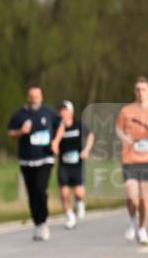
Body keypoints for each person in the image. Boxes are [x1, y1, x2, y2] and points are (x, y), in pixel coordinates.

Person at [7, 85, 59, 241]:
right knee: (32, 193)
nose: (34, 99)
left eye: (37, 96)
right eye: (32, 96)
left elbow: (62, 126)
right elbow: (10, 132)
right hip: (27, 160)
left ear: (41, 97)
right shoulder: (20, 115)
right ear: (28, 97)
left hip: (45, 158)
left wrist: (56, 142)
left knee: (40, 190)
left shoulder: (49, 112)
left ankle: (43, 222)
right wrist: (20, 132)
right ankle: (37, 223)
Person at [116, 77, 148, 245]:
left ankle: (142, 229)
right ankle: (132, 220)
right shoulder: (126, 110)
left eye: (143, 89)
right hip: (130, 159)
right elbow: (118, 129)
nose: (140, 92)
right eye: (138, 89)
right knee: (132, 197)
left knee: (144, 199)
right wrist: (124, 137)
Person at [51, 101, 93, 230]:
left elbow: (90, 136)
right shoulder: (57, 127)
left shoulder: (78, 125)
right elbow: (54, 143)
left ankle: (80, 202)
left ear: (71, 112)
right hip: (64, 164)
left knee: (79, 193)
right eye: (61, 110)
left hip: (77, 163)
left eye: (65, 110)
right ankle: (70, 216)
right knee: (64, 193)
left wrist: (86, 150)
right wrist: (55, 145)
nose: (62, 112)